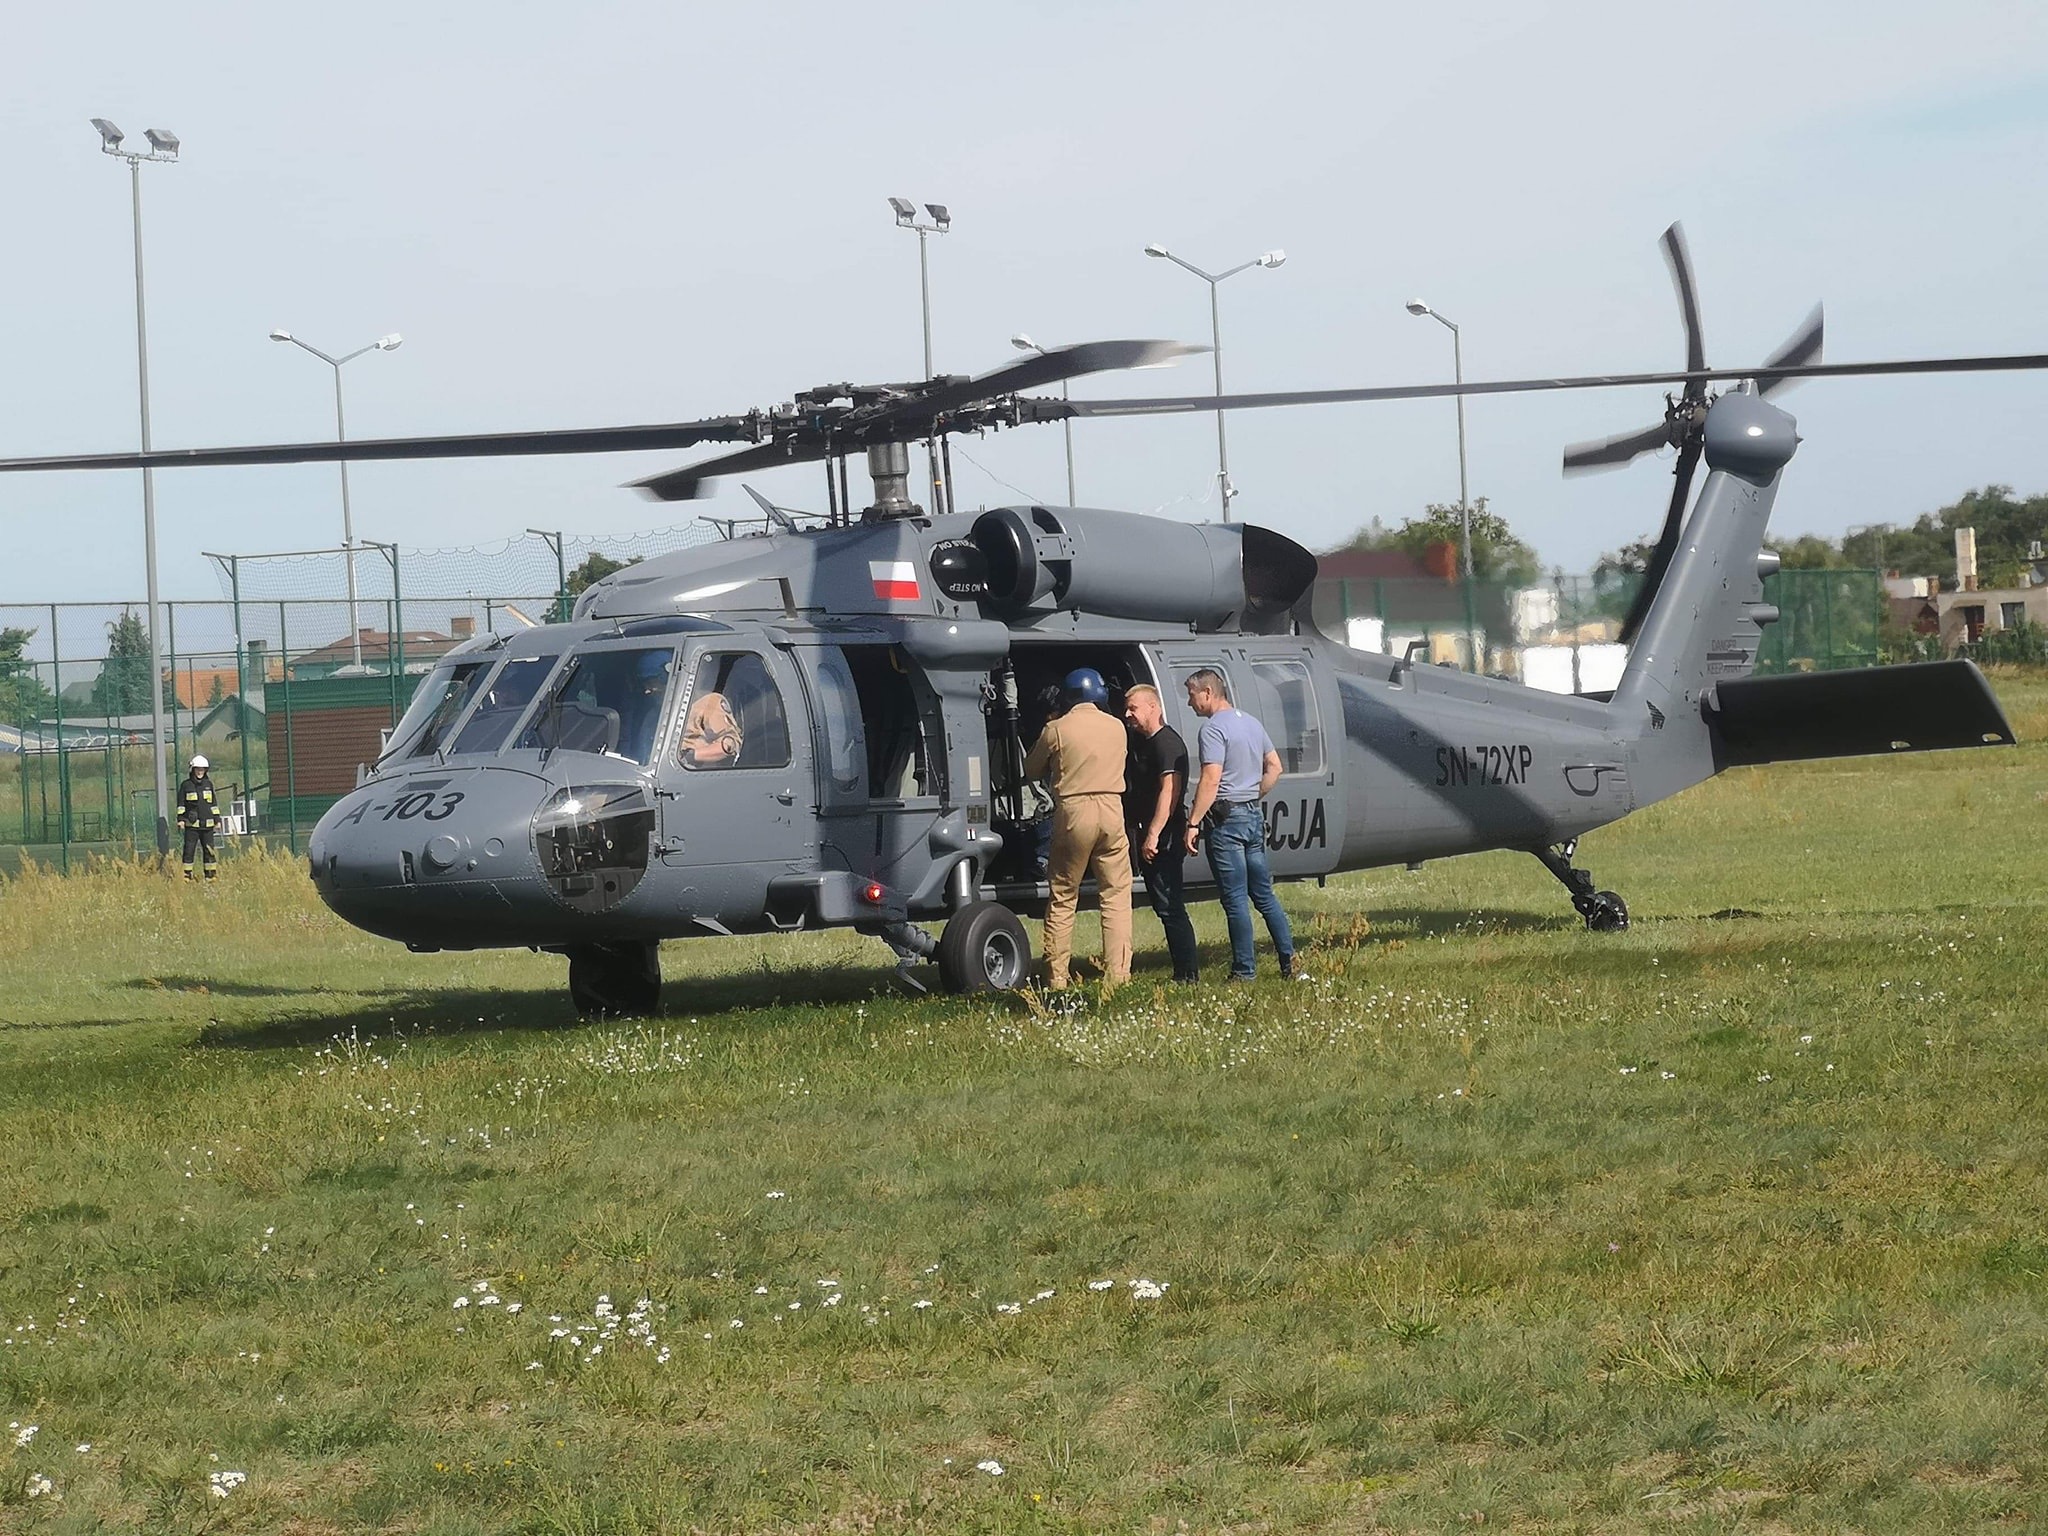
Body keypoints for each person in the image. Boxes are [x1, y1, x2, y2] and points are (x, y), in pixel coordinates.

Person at [1182, 669, 1299, 981]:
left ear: (1207, 693)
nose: (1189, 702)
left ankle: (1244, 970)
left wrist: (1193, 822)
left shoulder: (1212, 730)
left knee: (1235, 900)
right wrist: (1252, 793)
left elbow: (1210, 779)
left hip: (1226, 821)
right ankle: (1290, 963)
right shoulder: (1250, 722)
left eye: (1191, 695)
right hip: (1252, 815)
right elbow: (1275, 767)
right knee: (1264, 895)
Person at [1023, 667, 1132, 990]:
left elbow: (1030, 769)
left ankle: (1057, 977)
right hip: (1113, 810)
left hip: (1074, 812)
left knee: (1063, 896)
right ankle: (1119, 974)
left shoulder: (1056, 729)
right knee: (1115, 896)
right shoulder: (1117, 727)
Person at [1122, 682, 1199, 983]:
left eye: (1133, 708)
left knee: (1170, 907)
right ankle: (1183, 970)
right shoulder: (1143, 742)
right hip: (1151, 833)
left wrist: (1153, 834)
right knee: (1162, 905)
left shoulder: (1167, 744)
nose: (1128, 714)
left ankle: (1187, 974)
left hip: (1165, 837)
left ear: (1153, 707)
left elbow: (1171, 791)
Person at [177, 753, 223, 883]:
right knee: (189, 850)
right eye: (198, 769)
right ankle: (187, 876)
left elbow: (213, 804)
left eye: (202, 769)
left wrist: (217, 820)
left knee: (209, 851)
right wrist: (180, 819)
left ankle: (210, 876)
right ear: (192, 770)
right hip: (192, 826)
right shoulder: (186, 785)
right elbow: (181, 804)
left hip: (208, 826)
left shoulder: (209, 784)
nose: (200, 772)